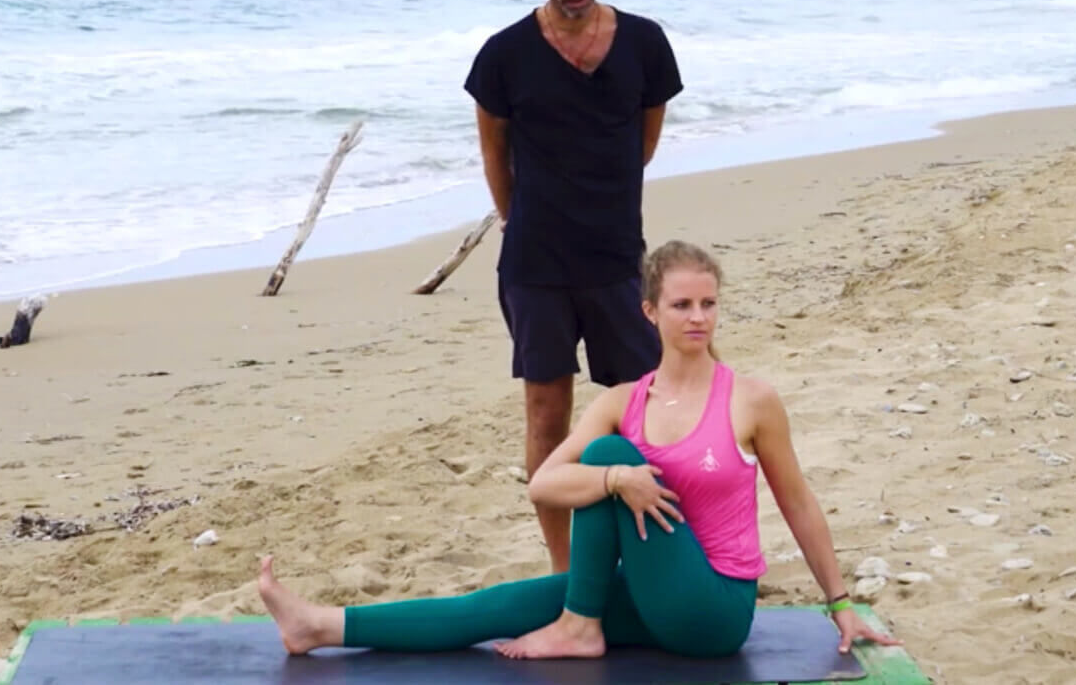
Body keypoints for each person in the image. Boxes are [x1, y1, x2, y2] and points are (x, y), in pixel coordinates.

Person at [257, 240, 903, 660]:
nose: (698, 317)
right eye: (682, 304)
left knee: (601, 461)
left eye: (709, 303)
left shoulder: (750, 400)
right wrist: (622, 480)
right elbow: (542, 484)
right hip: (651, 592)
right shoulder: (624, 399)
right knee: (503, 605)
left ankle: (580, 626)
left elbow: (798, 502)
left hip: (714, 609)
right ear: (650, 312)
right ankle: (319, 626)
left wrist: (840, 604)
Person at [464, 0, 684, 573]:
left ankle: (656, 555)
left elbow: (644, 142)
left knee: (649, 405)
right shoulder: (503, 55)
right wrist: (522, 216)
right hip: (534, 263)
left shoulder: (645, 43)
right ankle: (566, 571)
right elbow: (494, 156)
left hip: (617, 257)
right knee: (545, 413)